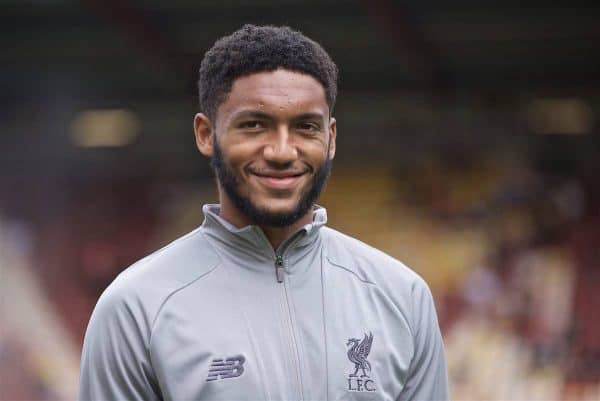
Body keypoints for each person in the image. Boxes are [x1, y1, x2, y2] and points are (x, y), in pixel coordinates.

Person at [78, 24, 449, 401]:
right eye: (254, 125)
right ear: (206, 134)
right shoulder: (136, 307)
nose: (282, 151)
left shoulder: (402, 297)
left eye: (306, 127)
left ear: (331, 138)